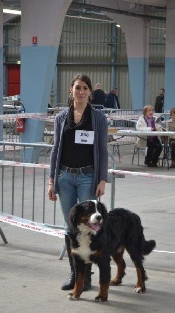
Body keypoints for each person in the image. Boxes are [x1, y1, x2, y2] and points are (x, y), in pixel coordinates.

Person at [48, 74, 108, 291]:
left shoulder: (98, 118)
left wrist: (102, 178)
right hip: (64, 177)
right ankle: (75, 273)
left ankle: (89, 276)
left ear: (90, 92)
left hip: (87, 177)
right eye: (77, 88)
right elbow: (55, 149)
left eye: (85, 88)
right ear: (70, 90)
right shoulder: (61, 117)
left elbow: (102, 149)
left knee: (92, 225)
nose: (81, 91)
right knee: (70, 225)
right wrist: (51, 180)